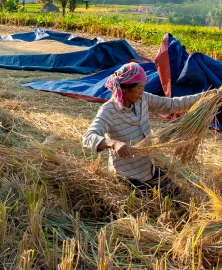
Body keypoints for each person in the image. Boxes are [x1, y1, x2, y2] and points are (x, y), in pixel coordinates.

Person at [82, 62, 204, 197]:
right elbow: (88, 137)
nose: (142, 91)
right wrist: (113, 143)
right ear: (125, 89)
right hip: (127, 176)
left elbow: (172, 104)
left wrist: (205, 97)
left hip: (148, 169)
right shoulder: (108, 111)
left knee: (177, 194)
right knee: (154, 205)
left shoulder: (143, 100)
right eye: (139, 87)